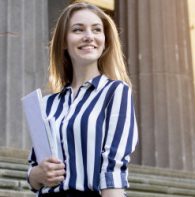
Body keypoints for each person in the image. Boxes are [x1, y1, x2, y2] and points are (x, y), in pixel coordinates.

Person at [26, 2, 138, 197]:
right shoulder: (47, 104)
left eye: (96, 30)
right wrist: (39, 174)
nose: (89, 36)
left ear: (105, 40)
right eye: (78, 30)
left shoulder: (115, 92)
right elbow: (34, 171)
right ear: (63, 41)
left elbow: (113, 168)